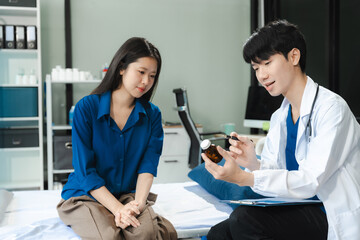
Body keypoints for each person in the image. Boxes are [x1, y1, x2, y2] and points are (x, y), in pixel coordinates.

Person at [203, 20, 360, 240]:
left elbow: (310, 181)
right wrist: (253, 163)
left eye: (267, 63)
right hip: (297, 207)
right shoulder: (279, 117)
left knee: (244, 219)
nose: (261, 75)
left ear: (294, 57)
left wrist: (242, 178)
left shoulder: (332, 109)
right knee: (219, 233)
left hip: (329, 212)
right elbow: (280, 171)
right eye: (256, 68)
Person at [57, 37, 177, 240]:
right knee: (109, 237)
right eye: (141, 72)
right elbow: (85, 172)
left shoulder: (152, 115)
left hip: (128, 196)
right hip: (87, 195)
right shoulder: (86, 108)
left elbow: (147, 168)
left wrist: (137, 205)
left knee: (147, 232)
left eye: (152, 76)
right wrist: (118, 209)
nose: (146, 81)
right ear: (122, 68)